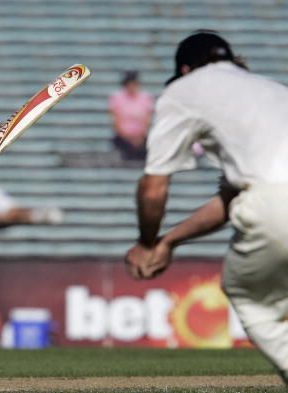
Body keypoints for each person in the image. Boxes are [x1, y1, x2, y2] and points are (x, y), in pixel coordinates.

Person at [124, 31, 288, 384]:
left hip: (276, 203)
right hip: (274, 198)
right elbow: (231, 200)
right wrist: (170, 241)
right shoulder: (273, 90)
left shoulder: (184, 90)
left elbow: (153, 188)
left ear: (185, 69)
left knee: (248, 294)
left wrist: (147, 242)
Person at [108, 70, 154, 161]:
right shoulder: (117, 98)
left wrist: (140, 136)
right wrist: (128, 137)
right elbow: (116, 121)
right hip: (123, 137)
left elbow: (147, 120)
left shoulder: (145, 97)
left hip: (141, 137)